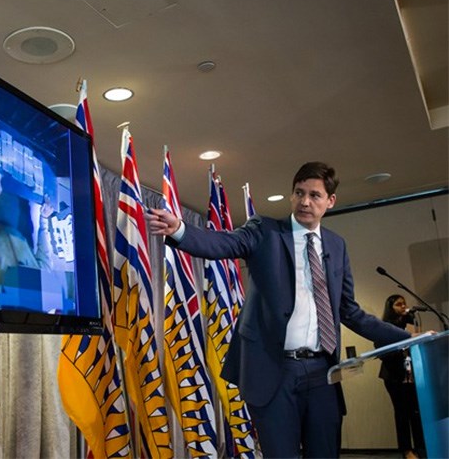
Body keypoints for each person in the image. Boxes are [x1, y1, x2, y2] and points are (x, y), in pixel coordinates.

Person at [146, 161, 412, 458]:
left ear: (330, 201)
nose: (305, 201)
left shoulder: (336, 246)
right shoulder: (265, 231)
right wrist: (180, 230)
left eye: (314, 195)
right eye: (299, 193)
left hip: (323, 372)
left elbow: (350, 311)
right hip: (275, 372)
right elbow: (223, 243)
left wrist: (404, 338)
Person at [0, 167, 54, 309]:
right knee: (24, 175)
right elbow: (44, 261)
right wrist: (44, 219)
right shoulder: (41, 298)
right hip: (20, 233)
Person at [377, 294, 425, 459]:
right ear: (390, 308)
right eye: (399, 304)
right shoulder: (385, 327)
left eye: (404, 304)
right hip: (395, 376)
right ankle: (406, 450)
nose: (403, 307)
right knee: (402, 413)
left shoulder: (409, 323)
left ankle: (421, 447)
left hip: (413, 375)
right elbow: (383, 352)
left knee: (416, 412)